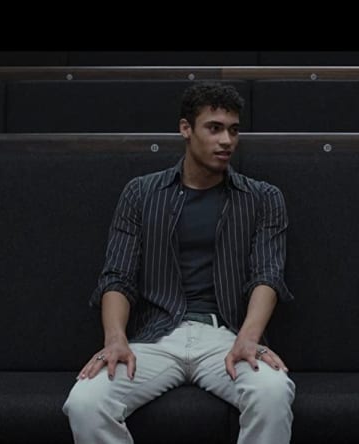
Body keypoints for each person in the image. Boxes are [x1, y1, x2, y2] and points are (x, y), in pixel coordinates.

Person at [63, 82, 295, 444]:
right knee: (85, 403)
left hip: (227, 336)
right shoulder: (141, 193)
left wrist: (249, 338)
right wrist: (115, 339)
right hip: (156, 337)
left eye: (233, 130)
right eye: (214, 128)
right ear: (186, 129)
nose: (227, 141)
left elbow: (267, 275)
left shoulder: (263, 198)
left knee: (273, 393)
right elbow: (117, 277)